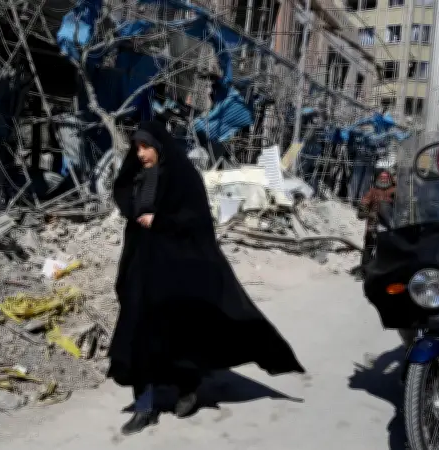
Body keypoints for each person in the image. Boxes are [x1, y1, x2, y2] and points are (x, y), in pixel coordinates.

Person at [108, 121, 306, 435]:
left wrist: (160, 221)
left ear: (159, 146)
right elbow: (126, 203)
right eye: (138, 148)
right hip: (142, 269)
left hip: (177, 270)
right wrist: (135, 213)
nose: (141, 154)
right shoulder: (138, 176)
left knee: (179, 334)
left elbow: (196, 221)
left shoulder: (184, 178)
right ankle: (145, 407)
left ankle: (187, 388)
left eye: (146, 147)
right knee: (138, 334)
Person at [356, 169, 395, 278]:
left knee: (387, 249)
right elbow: (364, 203)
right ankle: (364, 271)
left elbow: (403, 203)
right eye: (381, 177)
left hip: (390, 225)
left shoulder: (394, 191)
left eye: (385, 178)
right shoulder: (372, 191)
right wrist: (364, 209)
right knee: (368, 247)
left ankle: (386, 272)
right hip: (373, 224)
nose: (383, 180)